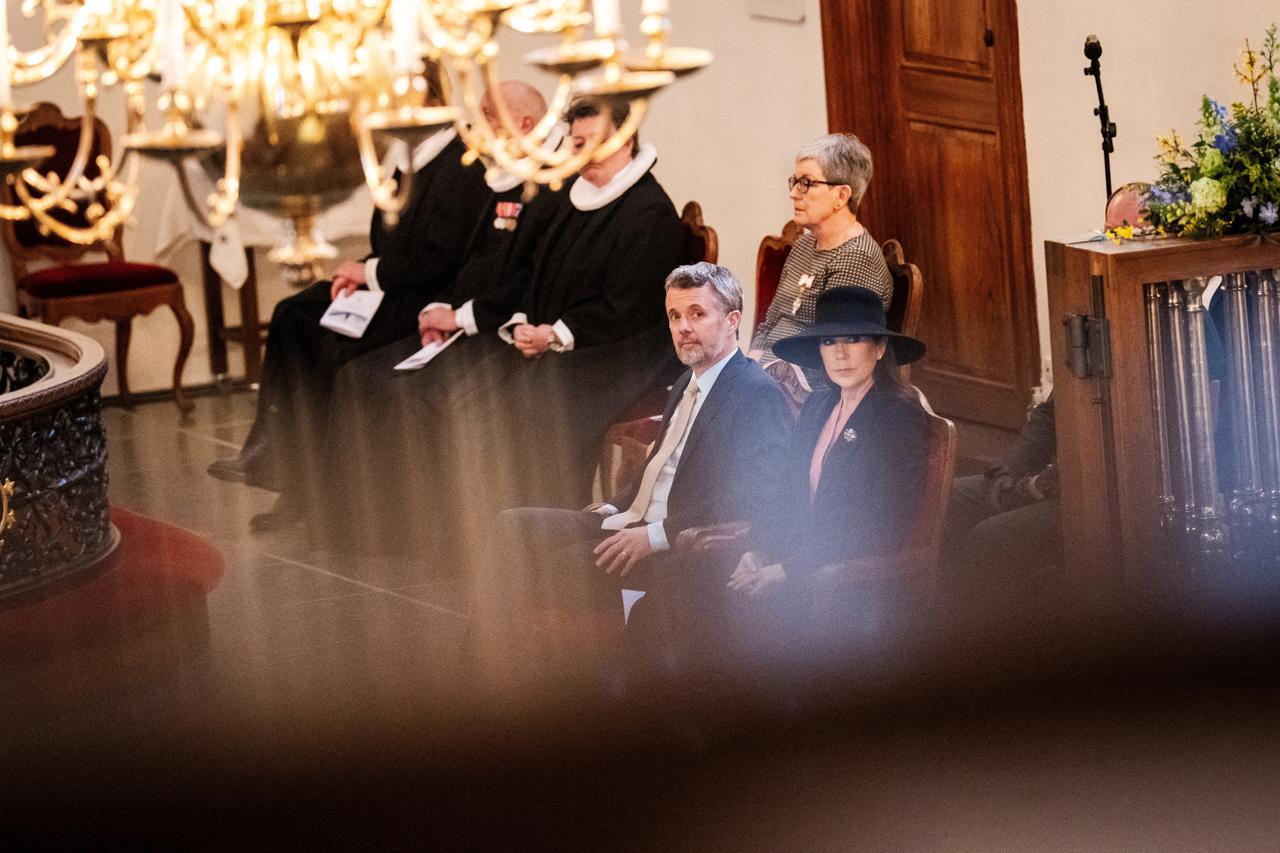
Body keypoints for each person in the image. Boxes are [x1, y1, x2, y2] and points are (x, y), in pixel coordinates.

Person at [320, 96, 686, 555]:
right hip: (557, 341)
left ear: (626, 139)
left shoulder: (647, 213)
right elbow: (533, 274)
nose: (582, 155)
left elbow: (630, 306)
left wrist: (556, 334)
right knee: (476, 393)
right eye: (576, 143)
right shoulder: (573, 197)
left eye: (595, 143)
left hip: (618, 353)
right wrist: (524, 324)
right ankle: (477, 539)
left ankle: (544, 544)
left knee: (529, 402)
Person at [480, 263, 793, 659]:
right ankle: (485, 670)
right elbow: (659, 469)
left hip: (671, 540)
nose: (683, 327)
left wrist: (654, 535)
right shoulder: (686, 381)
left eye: (697, 314)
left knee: (557, 564)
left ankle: (539, 680)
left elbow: (752, 497)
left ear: (732, 321)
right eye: (675, 316)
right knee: (513, 526)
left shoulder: (754, 393)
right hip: (628, 517)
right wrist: (613, 506)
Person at [206, 78, 492, 502]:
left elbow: (439, 259)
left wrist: (371, 274)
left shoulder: (461, 164)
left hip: (428, 296)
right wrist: (363, 271)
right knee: (294, 314)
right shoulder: (407, 154)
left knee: (331, 349)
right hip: (393, 283)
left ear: (433, 99)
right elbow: (391, 239)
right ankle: (271, 453)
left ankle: (309, 491)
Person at [632, 287, 930, 660]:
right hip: (789, 554)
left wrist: (788, 569)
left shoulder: (897, 416)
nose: (839, 353)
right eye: (828, 341)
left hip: (840, 571)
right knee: (671, 579)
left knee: (704, 611)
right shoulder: (819, 405)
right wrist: (758, 549)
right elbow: (785, 497)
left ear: (881, 348)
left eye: (854, 340)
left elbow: (883, 524)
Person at [748, 133, 894, 365]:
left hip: (807, 388)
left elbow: (835, 358)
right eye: (794, 181)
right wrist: (750, 366)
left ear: (841, 195)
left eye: (806, 183)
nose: (793, 193)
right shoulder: (803, 245)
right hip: (768, 374)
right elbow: (770, 323)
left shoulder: (856, 258)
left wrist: (762, 382)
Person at [942, 395, 1061, 586]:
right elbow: (1048, 417)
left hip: (1087, 496)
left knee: (989, 537)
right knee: (945, 498)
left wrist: (1030, 488)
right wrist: (1006, 472)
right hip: (1044, 480)